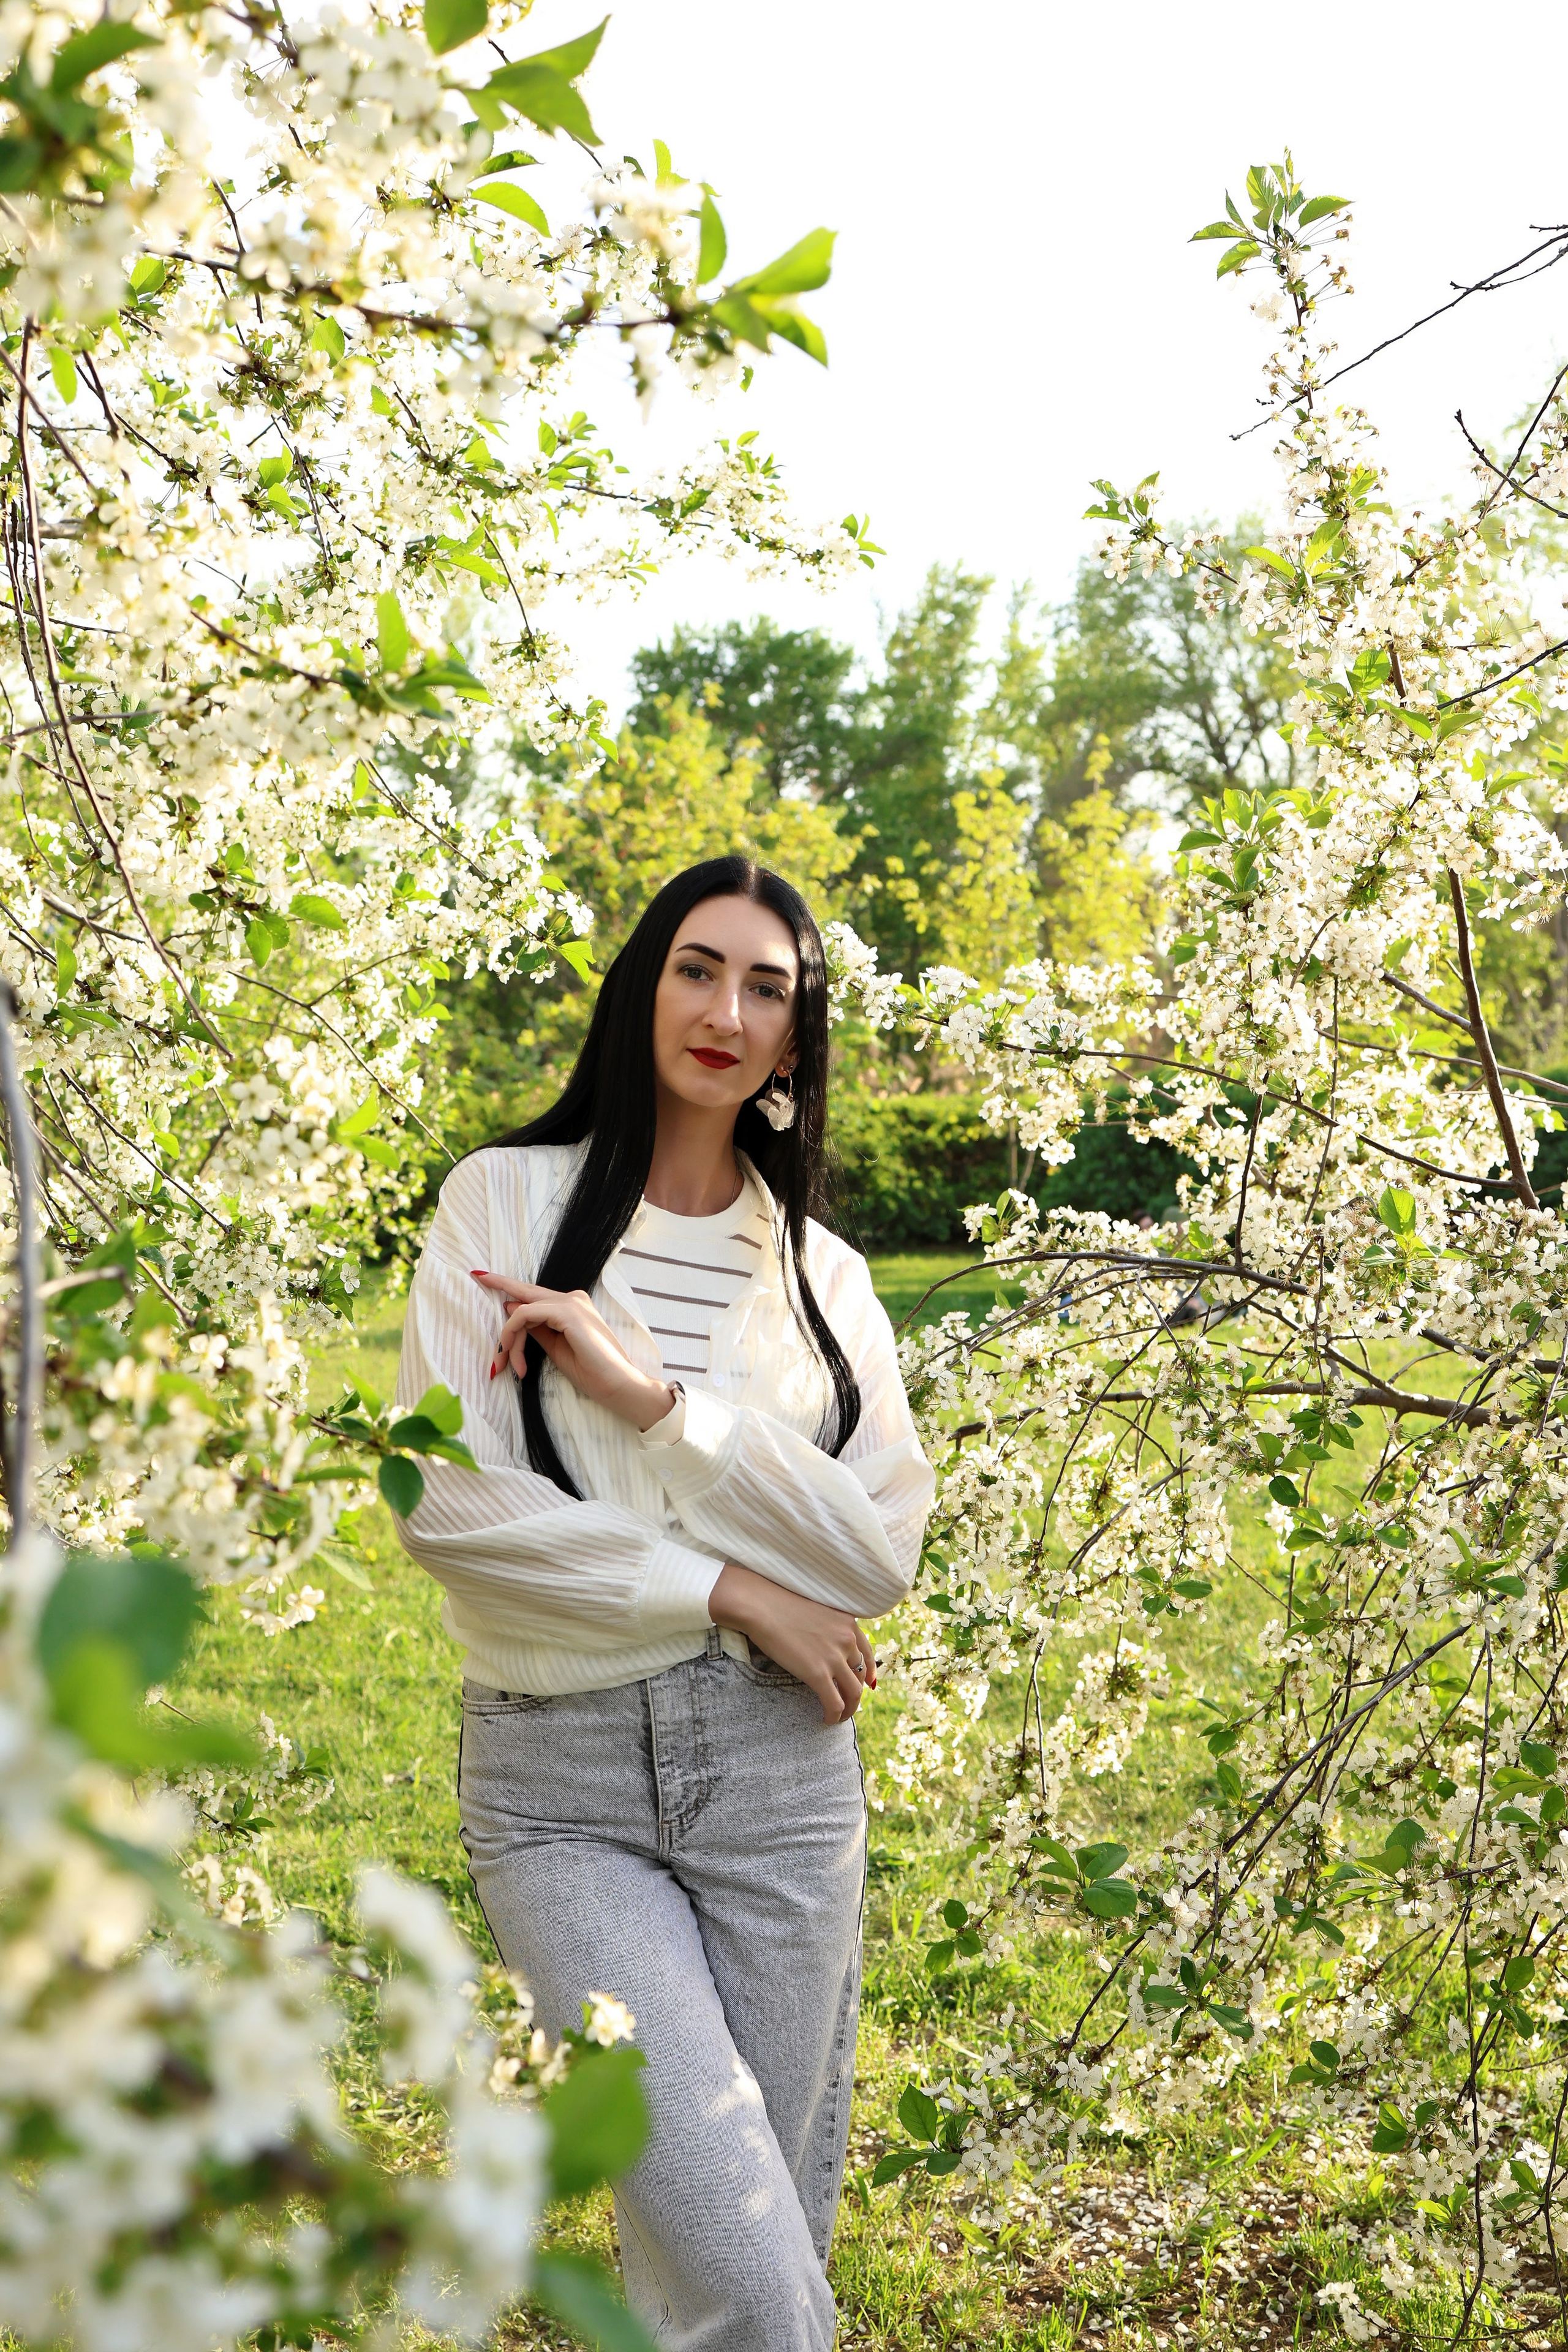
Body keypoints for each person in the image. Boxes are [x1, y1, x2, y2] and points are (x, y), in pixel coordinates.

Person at [391, 855, 935, 2350]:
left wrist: (659, 1408)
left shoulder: (825, 1280)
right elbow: (452, 1510)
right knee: (751, 2271)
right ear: (643, 985)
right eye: (698, 968)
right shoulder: (502, 1207)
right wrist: (736, 1588)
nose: (726, 1009)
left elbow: (876, 1550)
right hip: (559, 1790)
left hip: (781, 1786)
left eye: (770, 987)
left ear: (793, 1041)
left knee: (734, 2259)